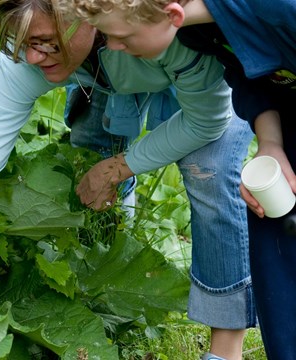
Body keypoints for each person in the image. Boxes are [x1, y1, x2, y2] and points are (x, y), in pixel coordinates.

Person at [0, 1, 254, 359]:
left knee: (209, 170)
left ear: (86, 12)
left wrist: (120, 167)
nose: (33, 58)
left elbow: (207, 120)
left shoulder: (161, 23)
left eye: (46, 43)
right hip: (105, 70)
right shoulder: (28, 56)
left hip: (199, 77)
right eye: (20, 44)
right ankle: (114, 269)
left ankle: (226, 348)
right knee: (90, 148)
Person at [64, 1, 296, 358]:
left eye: (119, 36)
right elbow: (248, 76)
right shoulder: (198, 30)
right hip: (284, 111)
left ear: (172, 15)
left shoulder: (276, 8)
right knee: (275, 240)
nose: (111, 48)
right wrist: (271, 143)